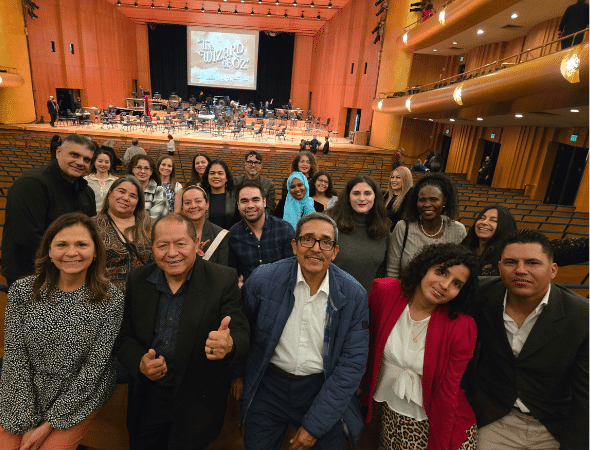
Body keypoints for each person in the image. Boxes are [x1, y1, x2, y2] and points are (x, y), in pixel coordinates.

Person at [114, 213, 250, 450]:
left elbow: (241, 332)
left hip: (197, 401)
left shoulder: (222, 279)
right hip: (148, 398)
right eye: (162, 245)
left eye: (180, 243)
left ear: (196, 244)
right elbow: (124, 336)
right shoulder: (138, 279)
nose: (172, 253)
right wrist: (139, 361)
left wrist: (229, 344)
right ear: (152, 247)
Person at [237, 212, 369, 449]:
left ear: (335, 251)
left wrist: (315, 426)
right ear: (295, 245)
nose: (316, 248)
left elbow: (352, 364)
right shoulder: (263, 279)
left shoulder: (354, 295)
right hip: (269, 385)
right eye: (307, 239)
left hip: (321, 388)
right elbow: (241, 329)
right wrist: (237, 374)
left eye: (325, 242)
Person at [0, 212, 124, 450]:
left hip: (81, 393)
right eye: (62, 245)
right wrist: (25, 422)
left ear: (96, 251)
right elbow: (15, 358)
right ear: (49, 250)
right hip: (26, 390)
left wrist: (49, 424)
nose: (71, 252)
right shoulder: (22, 291)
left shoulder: (111, 300)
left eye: (81, 244)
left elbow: (94, 369)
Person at [464, 229, 589, 449]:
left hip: (553, 425)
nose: (521, 270)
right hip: (494, 416)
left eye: (532, 263)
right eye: (511, 262)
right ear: (499, 267)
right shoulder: (479, 294)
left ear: (553, 270)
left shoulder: (582, 317)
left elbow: (586, 395)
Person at [363, 243, 479, 450]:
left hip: (432, 426)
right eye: (441, 272)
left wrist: (438, 446)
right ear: (425, 266)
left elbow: (448, 393)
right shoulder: (385, 293)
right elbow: (367, 349)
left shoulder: (461, 327)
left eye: (456, 284)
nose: (444, 285)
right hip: (388, 416)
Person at [1, 133, 97, 287]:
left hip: (69, 273)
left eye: (87, 159)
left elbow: (88, 234)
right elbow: (30, 239)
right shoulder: (31, 184)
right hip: (30, 275)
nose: (80, 162)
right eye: (75, 155)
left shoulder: (87, 192)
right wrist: (68, 265)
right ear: (58, 152)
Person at [462, 204, 590, 276]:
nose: (484, 223)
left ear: (504, 226)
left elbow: (560, 249)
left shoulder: (512, 249)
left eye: (493, 221)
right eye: (482, 218)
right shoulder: (464, 247)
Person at [387, 173, 466, 278]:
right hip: (406, 292)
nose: (427, 204)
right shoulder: (403, 227)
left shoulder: (458, 230)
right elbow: (392, 271)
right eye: (422, 200)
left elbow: (461, 271)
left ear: (444, 201)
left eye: (434, 199)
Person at [328, 176, 391, 293]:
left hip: (368, 301)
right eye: (356, 193)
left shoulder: (384, 228)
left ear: (375, 197)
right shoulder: (330, 224)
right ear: (348, 197)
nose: (362, 198)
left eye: (367, 193)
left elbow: (383, 267)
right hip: (333, 296)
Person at [92, 175, 153, 292]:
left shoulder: (149, 225)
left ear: (138, 202)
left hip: (145, 296)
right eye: (121, 191)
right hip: (105, 297)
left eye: (133, 196)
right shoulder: (92, 226)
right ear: (110, 193)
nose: (126, 198)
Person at [229, 180, 294, 284]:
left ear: (264, 202)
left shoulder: (284, 229)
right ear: (238, 205)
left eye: (255, 200)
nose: (250, 206)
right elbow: (232, 273)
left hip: (280, 293)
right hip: (247, 295)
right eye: (244, 201)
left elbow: (292, 268)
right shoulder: (232, 235)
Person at [181, 185, 229, 265]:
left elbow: (222, 271)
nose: (193, 206)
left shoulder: (220, 234)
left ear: (207, 205)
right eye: (187, 203)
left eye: (198, 201)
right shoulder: (174, 233)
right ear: (182, 207)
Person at [127, 154, 169, 221]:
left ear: (151, 171)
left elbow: (155, 219)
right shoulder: (125, 189)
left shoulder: (158, 190)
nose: (142, 171)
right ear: (132, 169)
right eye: (139, 167)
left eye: (146, 168)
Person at [201, 159, 239, 229]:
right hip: (206, 238)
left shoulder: (236, 197)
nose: (216, 176)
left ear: (226, 178)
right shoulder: (201, 196)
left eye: (220, 173)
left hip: (230, 237)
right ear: (207, 177)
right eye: (212, 173)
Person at [85, 148, 118, 213]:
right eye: (100, 161)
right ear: (94, 162)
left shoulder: (117, 182)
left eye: (107, 162)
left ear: (110, 164)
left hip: (109, 216)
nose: (103, 164)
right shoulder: (85, 180)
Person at [383, 166, 413, 230]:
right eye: (392, 177)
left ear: (406, 179)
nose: (394, 180)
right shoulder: (385, 196)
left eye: (398, 177)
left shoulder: (410, 198)